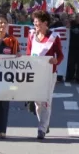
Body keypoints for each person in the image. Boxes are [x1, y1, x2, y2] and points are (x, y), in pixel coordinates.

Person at [26, 10, 64, 140]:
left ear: (45, 23)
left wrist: (56, 61)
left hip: (49, 73)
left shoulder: (54, 37)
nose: (35, 25)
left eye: (38, 23)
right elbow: (28, 52)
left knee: (46, 101)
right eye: (34, 23)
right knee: (38, 103)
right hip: (34, 73)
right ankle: (44, 123)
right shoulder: (31, 35)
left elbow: (60, 55)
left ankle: (41, 129)